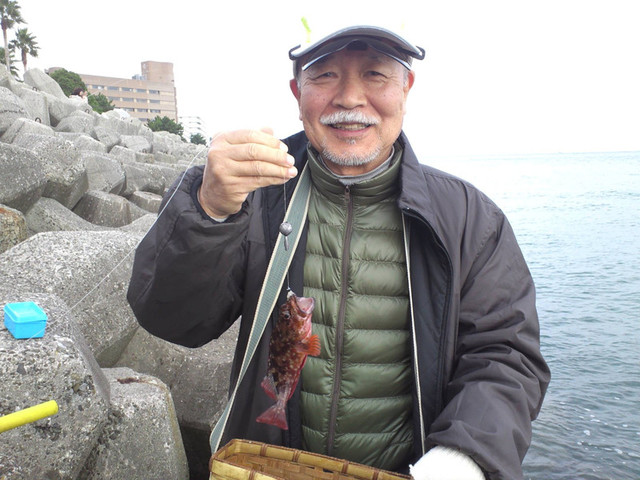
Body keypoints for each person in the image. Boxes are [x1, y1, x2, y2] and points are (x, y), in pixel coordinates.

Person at [127, 23, 550, 480]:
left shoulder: (470, 218)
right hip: (268, 468)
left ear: (406, 88)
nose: (349, 98)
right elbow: (173, 321)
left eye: (375, 74)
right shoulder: (251, 195)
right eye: (325, 75)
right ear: (297, 92)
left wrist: (463, 457)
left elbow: (506, 355)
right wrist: (209, 211)